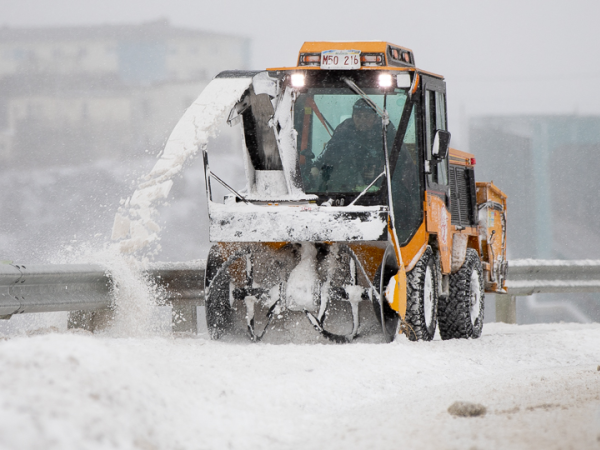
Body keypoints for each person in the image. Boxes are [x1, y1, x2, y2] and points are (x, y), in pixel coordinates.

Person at [311, 99, 395, 192]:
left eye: (366, 116)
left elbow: (397, 161)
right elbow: (330, 150)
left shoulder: (385, 131)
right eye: (358, 116)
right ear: (353, 117)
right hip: (347, 184)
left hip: (380, 185)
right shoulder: (345, 130)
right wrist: (316, 166)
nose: (362, 120)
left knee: (394, 186)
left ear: (374, 117)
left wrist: (378, 172)